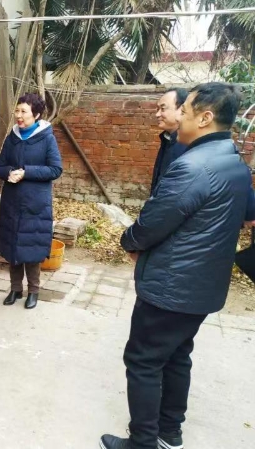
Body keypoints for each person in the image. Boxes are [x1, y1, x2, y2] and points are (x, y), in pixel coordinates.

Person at [99, 82, 253, 449]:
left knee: (143, 361)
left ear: (205, 118)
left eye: (184, 111)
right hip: (204, 286)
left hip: (172, 287)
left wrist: (129, 241)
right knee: (177, 355)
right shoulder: (234, 161)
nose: (178, 117)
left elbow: (152, 223)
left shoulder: (194, 167)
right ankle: (169, 432)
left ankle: (142, 442)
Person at [0, 93, 62, 310]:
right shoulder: (12, 137)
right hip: (12, 202)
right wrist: (8, 173)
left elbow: (55, 169)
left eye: (23, 111)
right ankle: (15, 289)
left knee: (31, 248)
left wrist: (26, 172)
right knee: (13, 246)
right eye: (17, 110)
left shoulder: (47, 138)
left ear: (36, 115)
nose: (19, 115)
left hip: (35, 204)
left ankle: (34, 290)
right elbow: (0, 166)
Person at [150, 88, 189, 194]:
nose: (157, 114)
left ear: (182, 110)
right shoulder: (167, 138)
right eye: (157, 109)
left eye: (163, 109)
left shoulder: (186, 144)